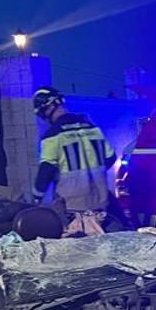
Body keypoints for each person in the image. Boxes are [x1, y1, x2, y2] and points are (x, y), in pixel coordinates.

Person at [31, 86, 116, 219]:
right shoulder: (92, 127)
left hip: (71, 206)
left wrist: (37, 197)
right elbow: (111, 158)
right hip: (100, 201)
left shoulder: (53, 135)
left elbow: (46, 169)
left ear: (47, 109)